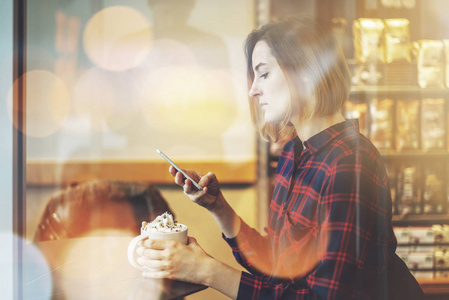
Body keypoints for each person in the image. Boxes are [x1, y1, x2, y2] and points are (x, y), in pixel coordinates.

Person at [136, 14, 425, 299]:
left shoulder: (350, 165)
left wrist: (207, 271)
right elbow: (277, 262)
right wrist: (219, 207)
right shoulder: (293, 153)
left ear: (306, 71)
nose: (252, 90)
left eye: (263, 73)